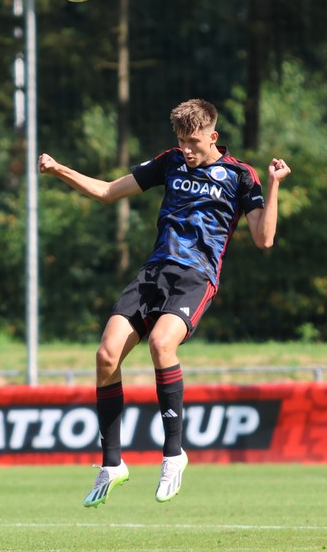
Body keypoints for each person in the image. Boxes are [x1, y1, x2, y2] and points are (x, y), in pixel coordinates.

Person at [38, 98, 291, 507]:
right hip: (155, 272)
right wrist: (58, 169)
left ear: (213, 136)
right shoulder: (170, 162)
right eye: (181, 141)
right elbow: (106, 192)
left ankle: (173, 454)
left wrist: (275, 184)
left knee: (161, 344)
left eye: (193, 141)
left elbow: (264, 238)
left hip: (196, 277)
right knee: (105, 355)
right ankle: (112, 464)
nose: (187, 149)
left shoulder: (241, 176)